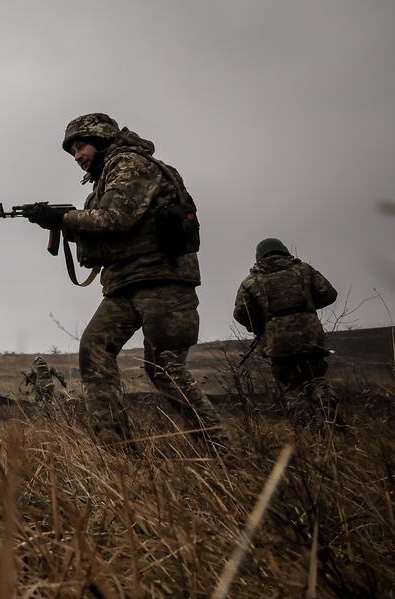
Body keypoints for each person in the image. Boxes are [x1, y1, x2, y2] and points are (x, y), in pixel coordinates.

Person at [25, 113, 224, 446]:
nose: (78, 156)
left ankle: (219, 447)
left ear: (102, 140)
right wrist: (57, 223)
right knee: (94, 348)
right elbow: (102, 233)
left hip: (162, 278)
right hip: (125, 282)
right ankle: (115, 446)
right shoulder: (104, 179)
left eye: (82, 146)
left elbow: (117, 218)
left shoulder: (130, 164)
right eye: (73, 150)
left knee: (164, 368)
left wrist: (63, 216)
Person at [233, 238, 342, 426]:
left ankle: (309, 432)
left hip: (278, 344)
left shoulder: (251, 282)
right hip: (311, 338)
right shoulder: (304, 270)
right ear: (283, 251)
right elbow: (329, 294)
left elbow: (241, 314)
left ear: (259, 257)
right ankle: (331, 416)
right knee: (316, 378)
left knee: (292, 387)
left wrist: (260, 326)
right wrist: (308, 308)